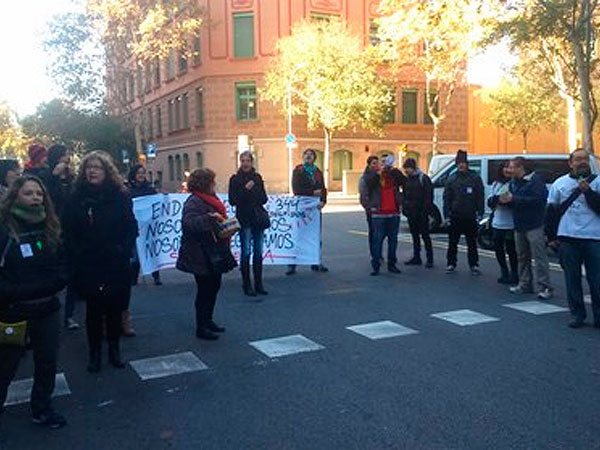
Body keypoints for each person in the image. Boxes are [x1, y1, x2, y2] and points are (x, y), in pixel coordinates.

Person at [0, 176, 68, 428]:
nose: (35, 198)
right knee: (6, 365)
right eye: (29, 193)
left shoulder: (50, 225)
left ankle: (42, 407)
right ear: (15, 195)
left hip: (47, 307)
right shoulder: (4, 229)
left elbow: (63, 259)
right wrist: (15, 292)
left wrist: (60, 279)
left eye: (39, 193)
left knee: (47, 360)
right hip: (14, 310)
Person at [62, 151, 138, 373]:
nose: (92, 171)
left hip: (115, 262)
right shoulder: (76, 197)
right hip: (88, 263)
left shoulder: (120, 196)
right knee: (93, 311)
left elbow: (130, 227)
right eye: (89, 167)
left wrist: (121, 249)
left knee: (114, 309)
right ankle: (94, 354)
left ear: (107, 172)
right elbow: (68, 230)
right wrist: (78, 254)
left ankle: (114, 350)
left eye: (97, 167)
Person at [177, 169, 236, 340]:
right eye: (211, 181)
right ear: (204, 183)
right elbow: (189, 224)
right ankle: (201, 326)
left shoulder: (210, 198)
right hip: (200, 253)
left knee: (213, 287)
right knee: (204, 290)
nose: (214, 184)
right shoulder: (194, 201)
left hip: (213, 250)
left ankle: (208, 320)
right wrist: (209, 219)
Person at [546, 148, 600, 329]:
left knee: (596, 280)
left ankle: (598, 316)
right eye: (577, 159)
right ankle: (577, 315)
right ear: (570, 163)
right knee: (572, 278)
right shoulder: (559, 184)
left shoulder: (598, 182)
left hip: (594, 237)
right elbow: (552, 212)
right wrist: (551, 237)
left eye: (585, 159)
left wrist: (588, 192)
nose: (582, 162)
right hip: (568, 237)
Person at [499, 157, 552, 299]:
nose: (509, 170)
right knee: (522, 256)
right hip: (519, 224)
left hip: (534, 224)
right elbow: (511, 200)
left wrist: (514, 200)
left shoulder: (535, 181)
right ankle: (525, 283)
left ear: (520, 167)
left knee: (539, 256)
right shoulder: (513, 183)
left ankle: (544, 286)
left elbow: (540, 200)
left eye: (511, 167)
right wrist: (505, 201)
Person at [45, 145, 80, 331]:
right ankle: (50, 311)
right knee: (53, 273)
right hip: (53, 232)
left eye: (68, 157)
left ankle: (69, 315)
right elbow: (45, 197)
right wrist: (53, 176)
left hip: (71, 232)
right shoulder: (48, 177)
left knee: (72, 276)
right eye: (64, 157)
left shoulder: (72, 179)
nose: (67, 160)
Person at [228, 151, 269, 297]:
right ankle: (247, 285)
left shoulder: (257, 178)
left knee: (258, 253)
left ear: (252, 162)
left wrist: (255, 188)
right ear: (240, 162)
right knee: (246, 252)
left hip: (258, 219)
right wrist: (245, 189)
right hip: (244, 219)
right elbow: (233, 200)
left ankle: (259, 284)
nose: (245, 163)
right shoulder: (235, 179)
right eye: (243, 161)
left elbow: (264, 199)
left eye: (248, 161)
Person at [286, 148, 328, 275]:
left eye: (311, 155)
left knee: (315, 235)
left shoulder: (317, 172)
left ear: (314, 158)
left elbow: (323, 188)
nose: (308, 156)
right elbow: (296, 189)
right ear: (303, 157)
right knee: (298, 234)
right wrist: (312, 192)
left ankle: (315, 261)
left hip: (315, 208)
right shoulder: (298, 171)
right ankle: (292, 264)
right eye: (306, 154)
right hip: (302, 207)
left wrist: (323, 200)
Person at [443, 149, 484, 275]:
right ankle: (451, 263)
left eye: (463, 162)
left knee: (471, 242)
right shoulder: (452, 179)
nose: (461, 165)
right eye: (459, 163)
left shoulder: (475, 178)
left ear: (467, 164)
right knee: (452, 242)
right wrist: (446, 214)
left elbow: (480, 196)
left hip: (470, 215)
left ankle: (474, 265)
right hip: (455, 215)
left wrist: (480, 212)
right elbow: (447, 198)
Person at [364, 153, 405, 276]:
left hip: (393, 212)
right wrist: (379, 172)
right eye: (381, 162)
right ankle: (375, 265)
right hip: (378, 213)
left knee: (393, 240)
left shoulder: (393, 174)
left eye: (385, 162)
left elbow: (404, 181)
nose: (383, 164)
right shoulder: (372, 175)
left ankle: (392, 264)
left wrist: (393, 170)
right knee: (377, 240)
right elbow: (368, 184)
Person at [128, 164, 162, 288]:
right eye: (139, 173)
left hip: (148, 225)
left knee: (151, 250)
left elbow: (157, 202)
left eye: (143, 173)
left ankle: (156, 276)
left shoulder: (149, 189)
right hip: (135, 226)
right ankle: (134, 277)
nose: (141, 175)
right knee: (136, 254)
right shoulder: (128, 190)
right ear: (134, 175)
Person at [487, 162, 518, 285]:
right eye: (505, 167)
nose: (507, 170)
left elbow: (516, 202)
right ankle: (504, 271)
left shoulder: (515, 184)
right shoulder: (496, 184)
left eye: (510, 168)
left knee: (512, 250)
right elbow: (490, 201)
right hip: (497, 222)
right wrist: (497, 199)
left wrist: (508, 201)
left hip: (511, 223)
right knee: (498, 249)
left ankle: (514, 273)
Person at [402, 157, 434, 268]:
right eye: (405, 169)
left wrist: (426, 210)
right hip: (411, 212)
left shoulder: (423, 178)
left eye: (408, 168)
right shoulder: (407, 180)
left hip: (421, 213)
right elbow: (405, 196)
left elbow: (429, 196)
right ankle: (417, 257)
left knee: (425, 236)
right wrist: (405, 209)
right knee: (415, 236)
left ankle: (430, 259)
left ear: (413, 168)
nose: (406, 171)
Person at [359, 156, 380, 260]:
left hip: (381, 209)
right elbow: (363, 195)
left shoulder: (380, 176)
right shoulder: (365, 178)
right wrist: (369, 208)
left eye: (377, 163)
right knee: (373, 232)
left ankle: (378, 252)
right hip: (372, 209)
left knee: (380, 233)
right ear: (369, 165)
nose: (376, 165)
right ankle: (374, 253)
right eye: (374, 163)